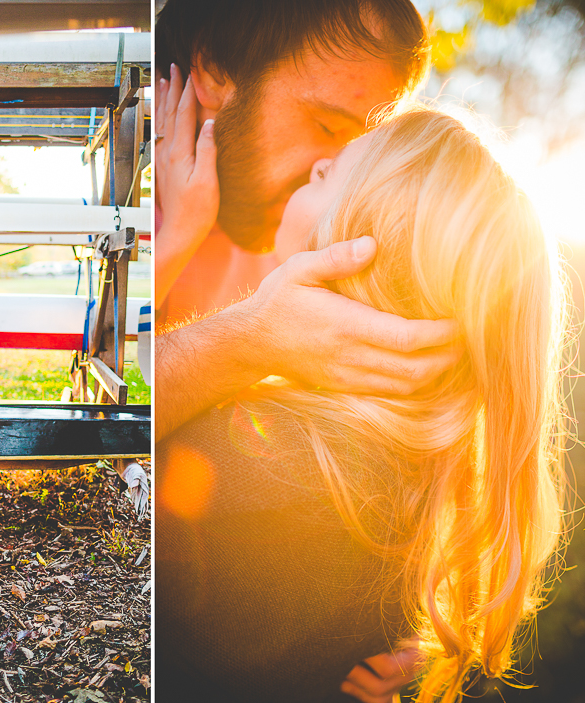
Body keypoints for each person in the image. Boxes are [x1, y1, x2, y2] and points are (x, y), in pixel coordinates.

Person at [156, 106, 570, 703]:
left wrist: (177, 243)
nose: (317, 163)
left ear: (358, 250)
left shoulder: (245, 475)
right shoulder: (411, 496)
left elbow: (124, 440)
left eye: (333, 170)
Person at [153, 0, 461, 442]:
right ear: (217, 67)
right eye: (328, 127)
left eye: (356, 156)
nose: (330, 170)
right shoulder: (130, 206)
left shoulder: (311, 244)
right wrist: (250, 340)